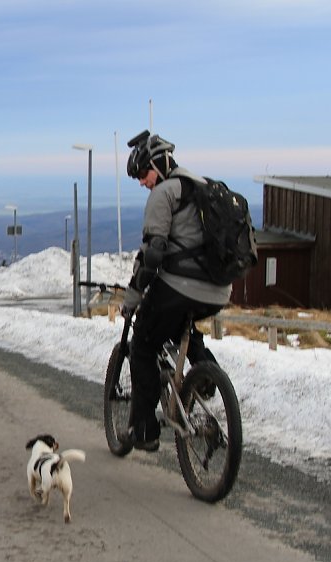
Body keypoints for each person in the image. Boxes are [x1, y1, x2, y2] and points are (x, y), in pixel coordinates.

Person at [120, 131, 230, 451]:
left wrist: (133, 297)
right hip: (218, 290)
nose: (142, 182)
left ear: (159, 163)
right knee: (182, 324)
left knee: (142, 342)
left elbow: (153, 254)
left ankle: (145, 430)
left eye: (143, 173)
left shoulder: (164, 193)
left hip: (181, 287)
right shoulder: (206, 188)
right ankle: (207, 373)